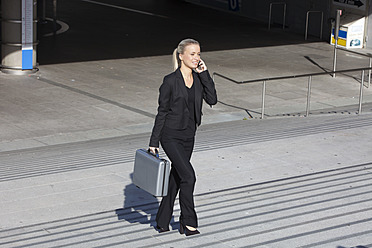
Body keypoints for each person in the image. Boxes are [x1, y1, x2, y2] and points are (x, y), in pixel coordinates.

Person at [149, 38, 217, 236]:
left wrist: (204, 74)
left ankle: (162, 219)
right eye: (192, 54)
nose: (196, 58)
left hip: (189, 135)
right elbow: (162, 112)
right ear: (181, 56)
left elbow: (212, 99)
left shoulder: (198, 80)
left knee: (178, 177)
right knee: (189, 176)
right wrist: (154, 142)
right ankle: (188, 222)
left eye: (198, 54)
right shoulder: (170, 81)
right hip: (170, 136)